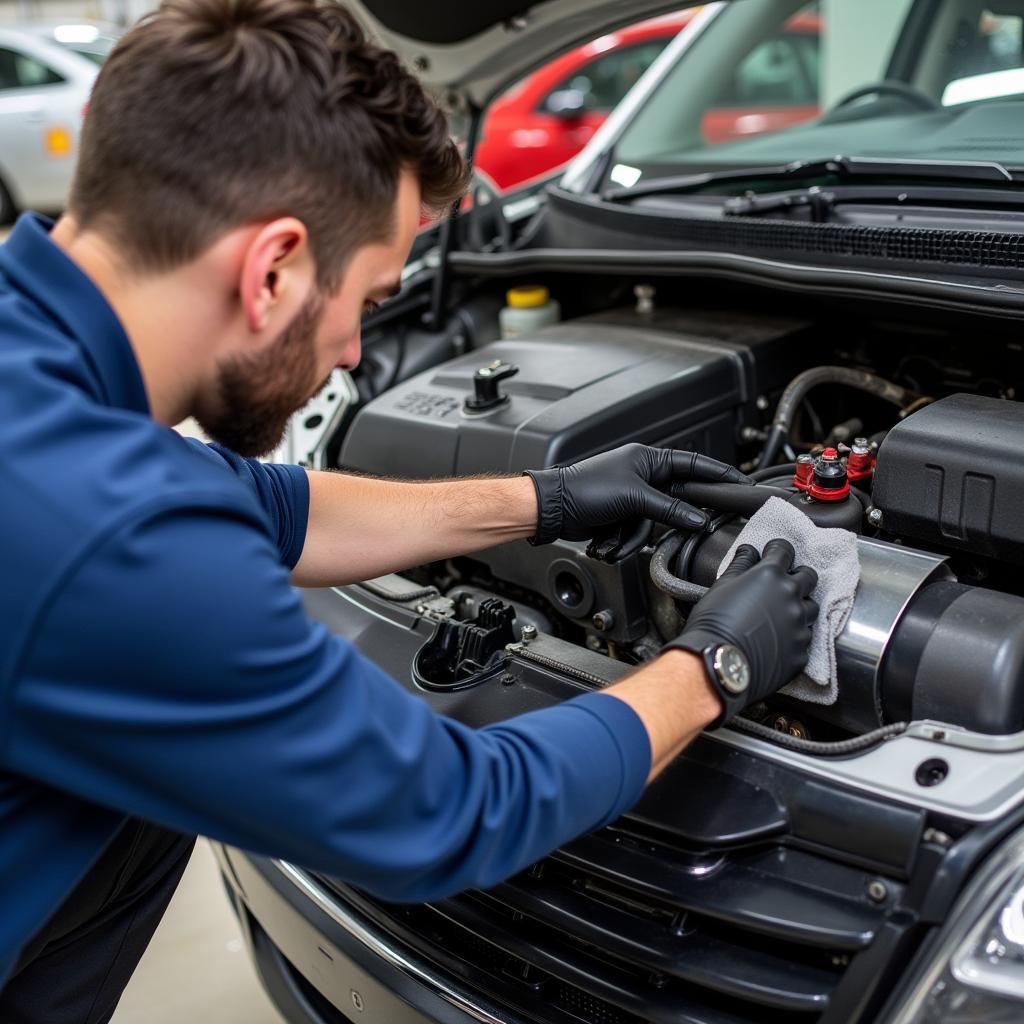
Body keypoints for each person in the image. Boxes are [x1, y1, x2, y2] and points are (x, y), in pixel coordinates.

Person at [0, 0, 818, 1020]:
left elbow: (269, 504)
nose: (353, 352)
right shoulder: (108, 528)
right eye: (367, 299)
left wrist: (548, 497)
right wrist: (711, 666)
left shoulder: (34, 366)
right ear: (273, 269)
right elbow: (449, 813)